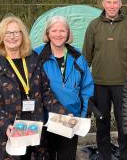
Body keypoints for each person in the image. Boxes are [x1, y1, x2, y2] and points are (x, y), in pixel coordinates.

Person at [0, 15, 67, 160]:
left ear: (23, 35)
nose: (12, 37)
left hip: (34, 129)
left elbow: (45, 92)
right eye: (8, 33)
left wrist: (62, 113)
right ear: (1, 36)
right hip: (8, 133)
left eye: (16, 32)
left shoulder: (33, 58)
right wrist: (5, 126)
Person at [34, 15, 94, 160]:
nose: (58, 34)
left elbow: (87, 87)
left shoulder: (78, 56)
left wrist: (83, 114)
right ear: (47, 33)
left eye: (62, 30)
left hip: (70, 118)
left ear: (68, 33)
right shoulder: (36, 55)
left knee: (67, 156)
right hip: (45, 119)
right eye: (54, 30)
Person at [82, 0, 127, 160]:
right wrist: (84, 83)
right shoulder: (94, 25)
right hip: (99, 83)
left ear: (120, 3)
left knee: (124, 124)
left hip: (123, 83)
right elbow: (86, 57)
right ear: (103, 3)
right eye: (109, 2)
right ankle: (104, 155)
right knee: (102, 122)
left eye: (115, 2)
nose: (112, 6)